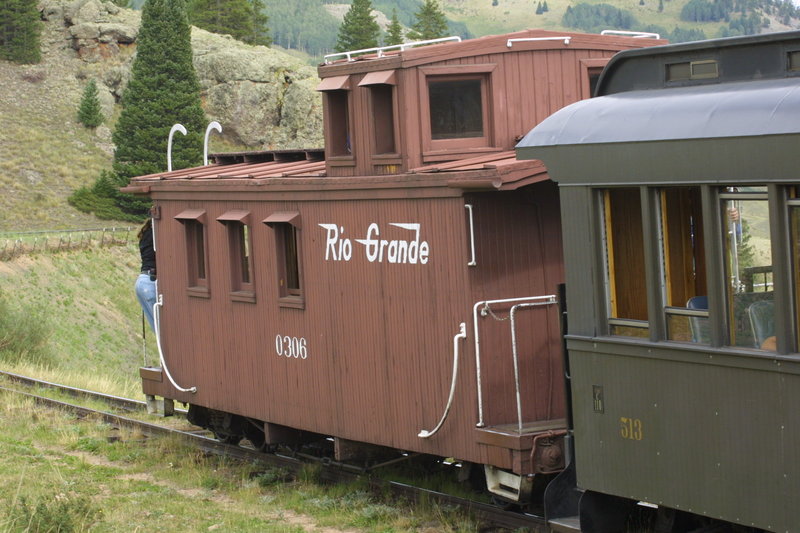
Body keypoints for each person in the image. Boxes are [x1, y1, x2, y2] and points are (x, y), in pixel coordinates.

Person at [135, 219, 157, 332]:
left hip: (141, 281)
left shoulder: (145, 235)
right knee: (162, 328)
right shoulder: (155, 235)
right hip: (151, 282)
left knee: (157, 328)